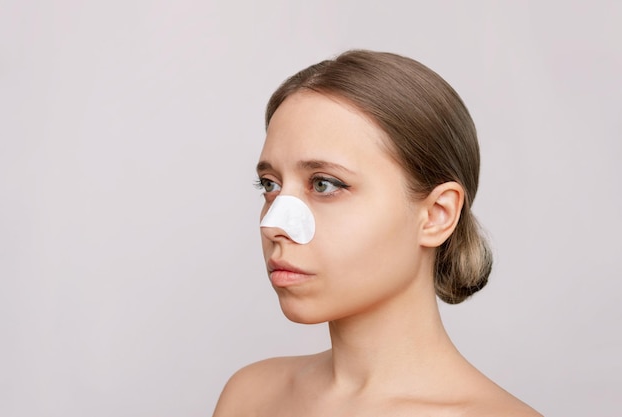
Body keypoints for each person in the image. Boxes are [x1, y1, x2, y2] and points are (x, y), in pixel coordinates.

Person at [213, 50, 542, 416]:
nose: (274, 223)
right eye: (270, 185)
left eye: (324, 184)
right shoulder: (249, 397)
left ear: (436, 215)